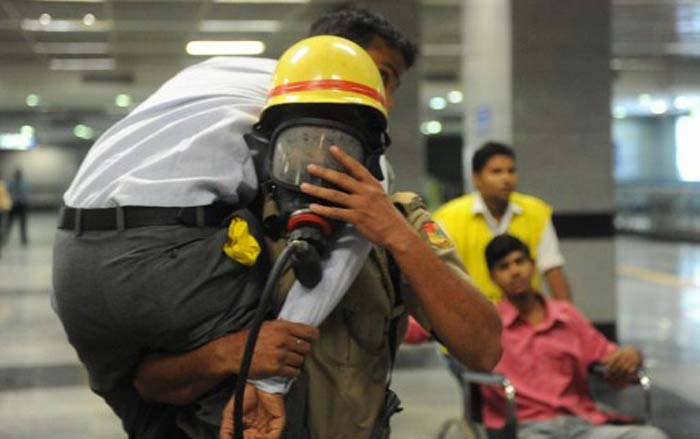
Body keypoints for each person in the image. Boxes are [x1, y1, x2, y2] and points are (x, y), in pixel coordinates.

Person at [52, 8, 501, 439]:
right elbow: (149, 384)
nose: (383, 97)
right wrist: (231, 354)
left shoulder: (397, 216)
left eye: (391, 84)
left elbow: (483, 348)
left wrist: (396, 235)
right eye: (379, 75)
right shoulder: (224, 218)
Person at [480, 234, 668, 439]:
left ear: (532, 266)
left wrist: (631, 357)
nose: (515, 271)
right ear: (492, 277)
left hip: (581, 424)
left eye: (519, 262)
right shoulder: (491, 326)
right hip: (528, 428)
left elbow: (608, 356)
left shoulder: (567, 316)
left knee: (651, 436)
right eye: (504, 266)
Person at [435, 142, 572, 303]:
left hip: (526, 319)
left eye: (511, 171)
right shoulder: (447, 218)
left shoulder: (536, 212)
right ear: (476, 179)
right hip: (474, 318)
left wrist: (567, 319)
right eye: (496, 172)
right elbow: (441, 276)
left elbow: (552, 268)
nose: (506, 178)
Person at [6, 168, 30, 245]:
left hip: (22, 204)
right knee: (9, 223)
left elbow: (26, 193)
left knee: (23, 223)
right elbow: (8, 192)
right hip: (13, 204)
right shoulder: (11, 183)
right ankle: (5, 237)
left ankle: (23, 238)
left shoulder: (24, 183)